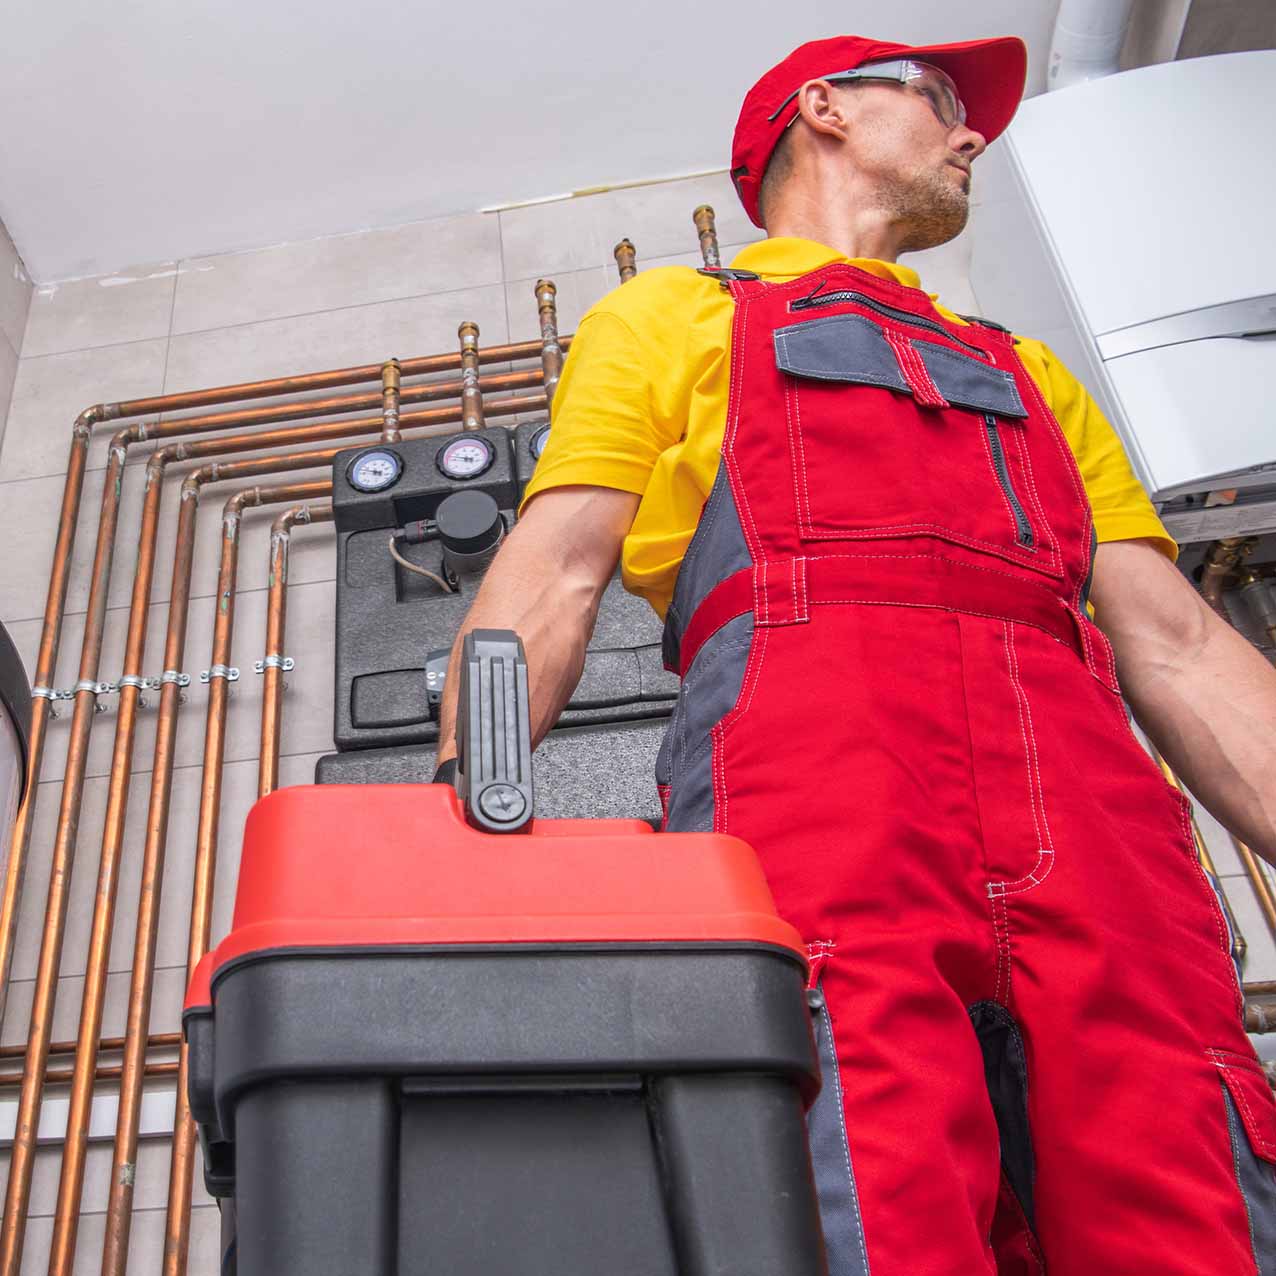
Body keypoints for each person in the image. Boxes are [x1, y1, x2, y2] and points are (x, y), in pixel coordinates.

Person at [436, 33, 1276, 1274]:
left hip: (1093, 813)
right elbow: (557, 569)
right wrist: (456, 832)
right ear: (821, 108)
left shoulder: (1031, 372)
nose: (970, 132)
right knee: (858, 1191)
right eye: (937, 99)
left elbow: (1182, 644)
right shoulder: (673, 315)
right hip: (820, 790)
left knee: (1188, 1187)